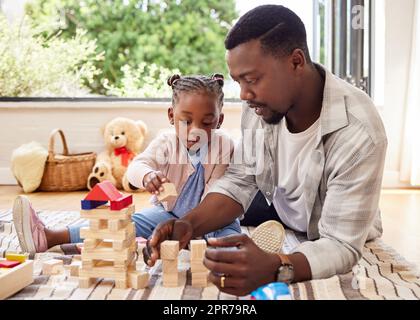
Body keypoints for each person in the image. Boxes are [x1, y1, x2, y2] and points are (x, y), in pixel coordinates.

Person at [143, 5, 388, 297]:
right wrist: (188, 224)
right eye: (239, 82)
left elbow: (342, 245)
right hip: (278, 199)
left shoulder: (358, 131)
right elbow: (241, 180)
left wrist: (277, 266)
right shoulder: (261, 107)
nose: (244, 96)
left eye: (252, 79)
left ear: (296, 62)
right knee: (210, 213)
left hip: (322, 218)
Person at [12, 74, 241, 254]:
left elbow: (216, 196)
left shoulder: (224, 146)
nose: (195, 130)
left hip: (212, 219)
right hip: (167, 215)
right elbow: (135, 167)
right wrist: (147, 175)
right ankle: (51, 236)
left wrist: (198, 230)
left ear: (219, 120)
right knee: (124, 224)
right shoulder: (166, 142)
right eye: (186, 121)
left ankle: (216, 251)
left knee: (229, 237)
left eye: (207, 122)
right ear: (171, 115)